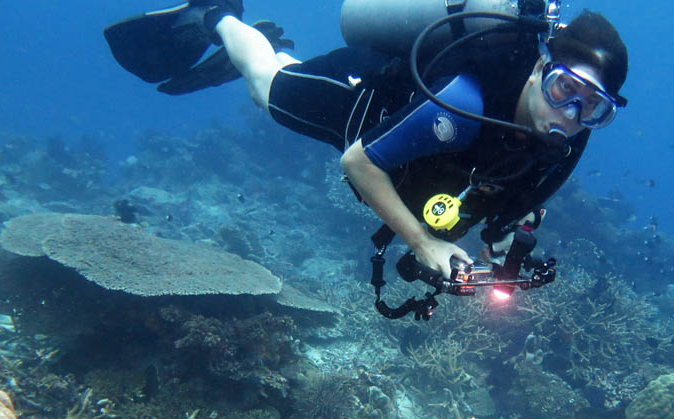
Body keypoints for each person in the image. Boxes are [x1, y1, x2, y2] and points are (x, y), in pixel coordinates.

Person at [105, 1, 628, 278]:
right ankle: (217, 15)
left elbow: (512, 193)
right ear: (539, 69)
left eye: (593, 107)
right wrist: (422, 243)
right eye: (564, 89)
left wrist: (504, 243)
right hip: (356, 99)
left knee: (279, 75)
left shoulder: (567, 136)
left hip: (404, 139)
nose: (570, 114)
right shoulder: (461, 104)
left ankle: (271, 48)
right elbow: (358, 164)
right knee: (265, 88)